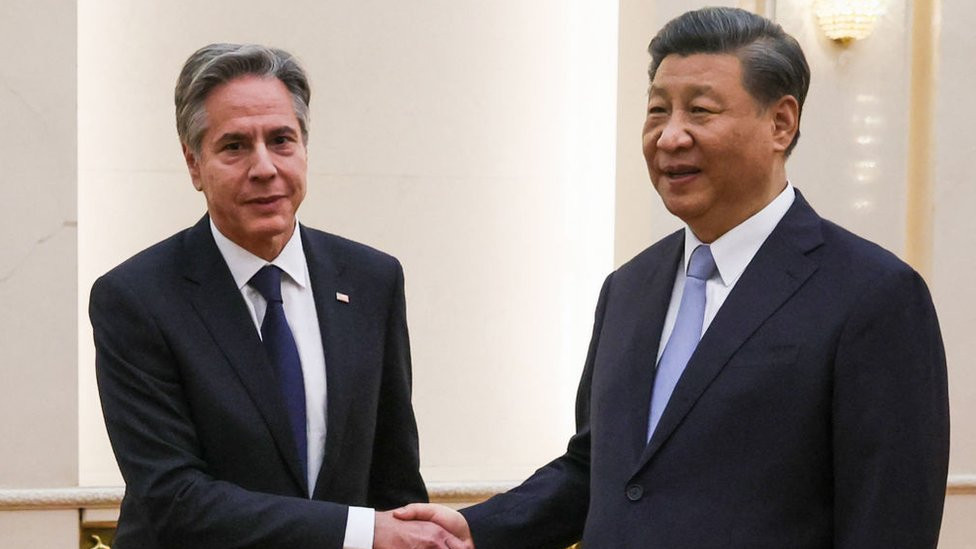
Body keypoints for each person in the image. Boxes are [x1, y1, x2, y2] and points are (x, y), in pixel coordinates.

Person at [396, 7, 949, 548]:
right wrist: (480, 528)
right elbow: (600, 469)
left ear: (781, 123)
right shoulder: (628, 288)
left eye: (700, 111)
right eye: (658, 111)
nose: (669, 137)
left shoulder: (873, 295)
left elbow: (888, 519)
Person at [90, 43, 467, 549]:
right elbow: (172, 496)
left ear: (305, 149)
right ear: (194, 163)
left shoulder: (371, 280)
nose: (264, 166)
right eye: (235, 146)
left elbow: (393, 476)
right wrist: (359, 533)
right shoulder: (136, 298)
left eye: (281, 140)